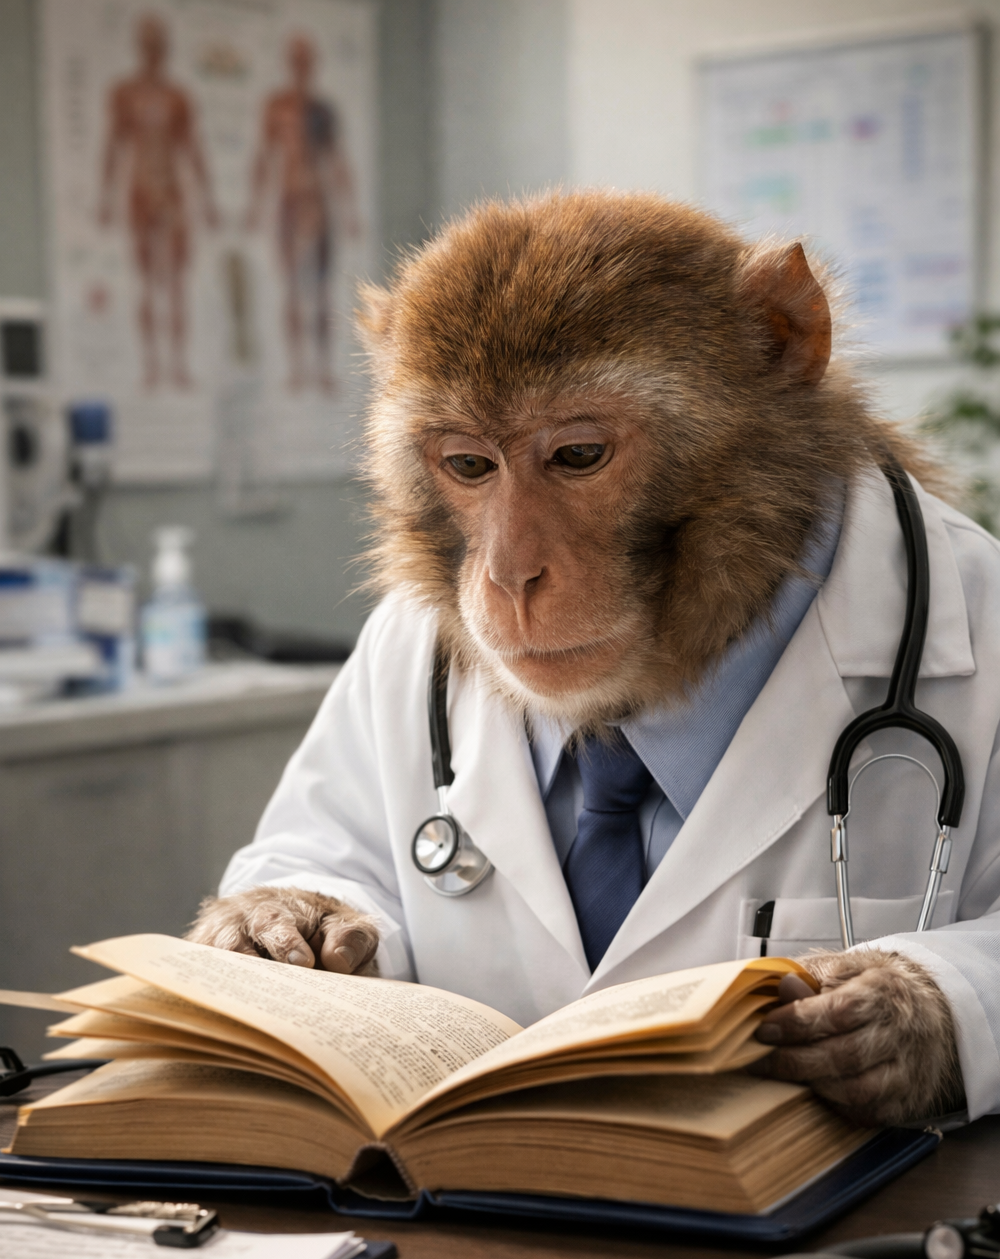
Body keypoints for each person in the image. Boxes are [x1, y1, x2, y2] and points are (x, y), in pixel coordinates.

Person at [190, 192, 1000, 1129]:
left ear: (784, 339)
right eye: (467, 466)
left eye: (576, 455)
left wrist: (950, 1005)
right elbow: (326, 849)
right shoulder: (416, 646)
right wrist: (299, 912)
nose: (509, 570)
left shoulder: (971, 619)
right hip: (461, 1232)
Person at [99, 13, 218, 389]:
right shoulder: (124, 93)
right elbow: (114, 147)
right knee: (148, 283)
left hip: (172, 195)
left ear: (165, 48)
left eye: (158, 43)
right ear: (140, 46)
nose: (153, 50)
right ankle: (152, 365)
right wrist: (106, 197)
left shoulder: (177, 97)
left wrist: (206, 199)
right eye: (147, 43)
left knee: (176, 283)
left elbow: (191, 148)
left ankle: (178, 364)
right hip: (140, 193)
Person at [245, 34, 360, 392]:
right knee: (293, 288)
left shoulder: (323, 110)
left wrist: (349, 210)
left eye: (305, 59)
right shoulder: (276, 106)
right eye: (296, 58)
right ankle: (296, 367)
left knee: (323, 290)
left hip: (318, 200)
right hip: (289, 201)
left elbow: (336, 160)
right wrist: (255, 205)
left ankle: (323, 368)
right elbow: (265, 157)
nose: (301, 65)